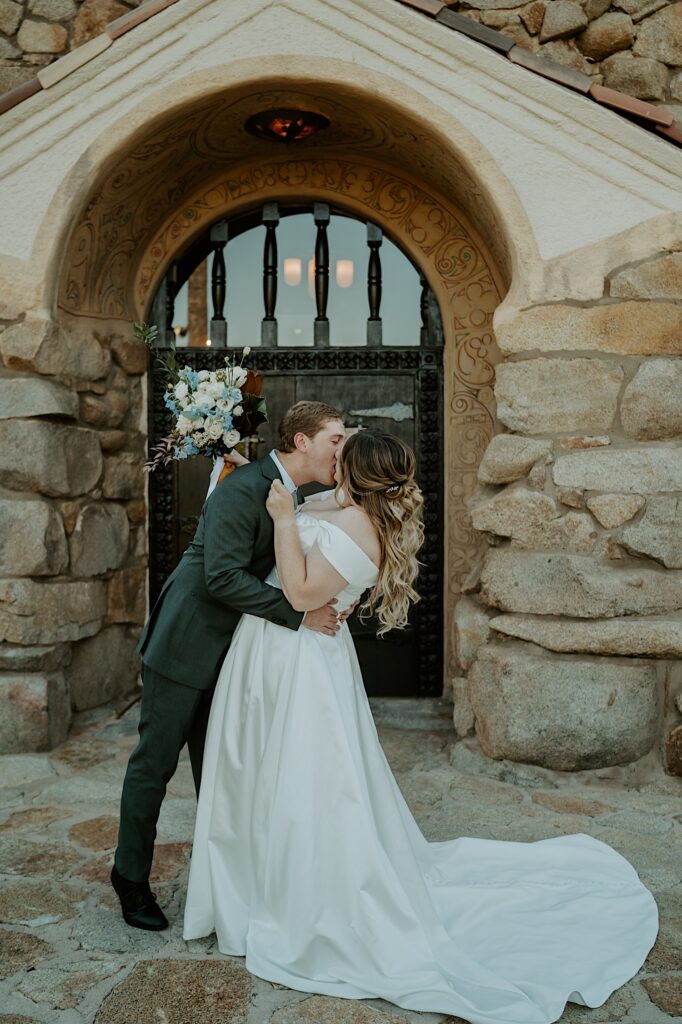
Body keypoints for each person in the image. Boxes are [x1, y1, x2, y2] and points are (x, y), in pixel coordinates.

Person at [182, 429, 658, 1024]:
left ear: (354, 474)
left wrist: (282, 520)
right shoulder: (343, 505)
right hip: (270, 651)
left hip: (301, 658)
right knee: (261, 767)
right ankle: (250, 880)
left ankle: (302, 893)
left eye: (341, 453)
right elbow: (306, 501)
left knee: (309, 780)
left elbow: (303, 592)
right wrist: (250, 473)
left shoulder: (362, 532)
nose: (333, 457)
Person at [111, 401, 351, 931]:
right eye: (335, 439)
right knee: (154, 763)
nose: (343, 448)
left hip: (233, 655)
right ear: (303, 442)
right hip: (185, 643)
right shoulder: (243, 491)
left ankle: (224, 882)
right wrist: (300, 614)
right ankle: (129, 878)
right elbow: (220, 578)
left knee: (221, 769)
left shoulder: (292, 493)